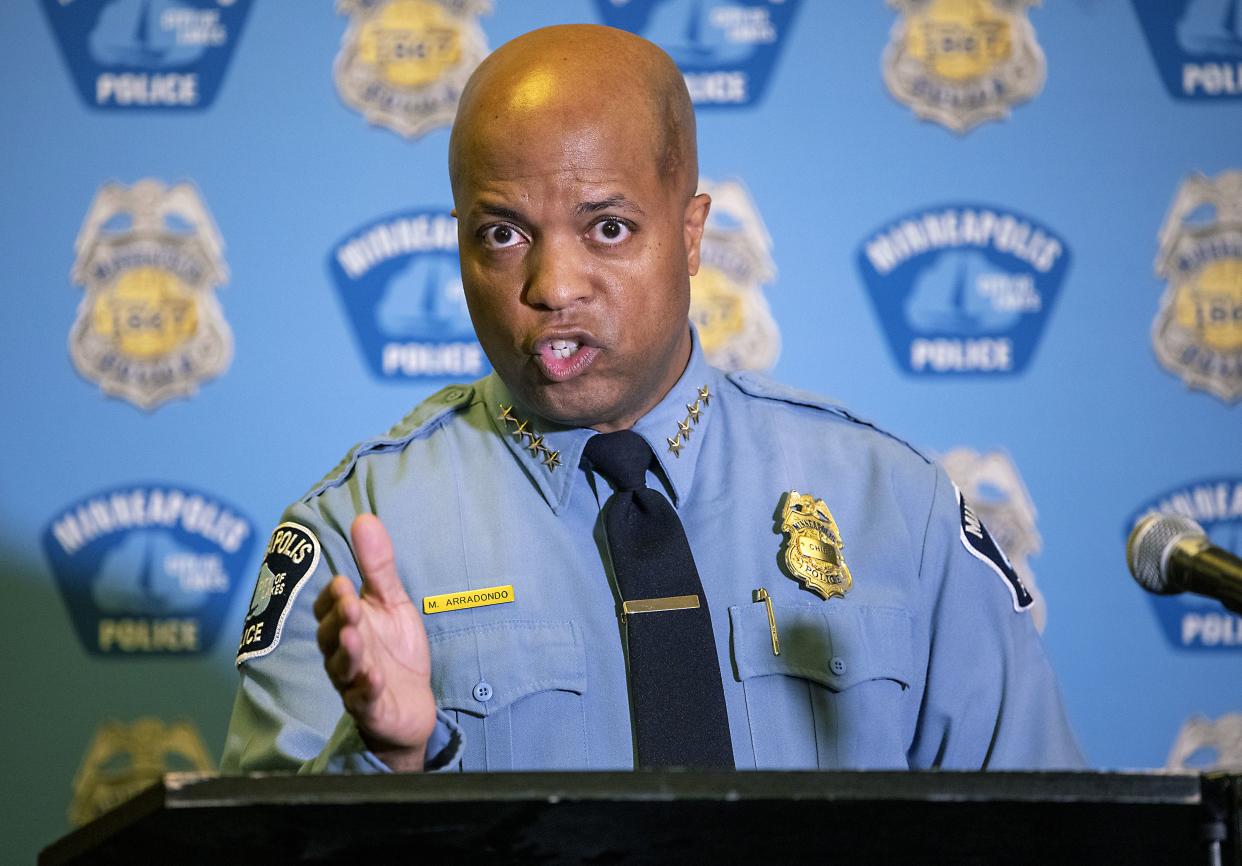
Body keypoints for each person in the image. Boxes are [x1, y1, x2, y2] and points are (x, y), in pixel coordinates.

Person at [222, 24, 1083, 775]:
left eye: (608, 227)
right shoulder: (354, 541)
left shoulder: (896, 506)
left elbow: (1052, 838)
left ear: (693, 233)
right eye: (503, 234)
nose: (553, 285)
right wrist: (390, 762)